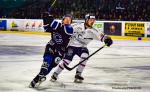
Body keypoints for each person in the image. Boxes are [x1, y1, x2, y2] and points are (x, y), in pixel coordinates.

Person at [50, 13, 113, 83]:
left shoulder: (94, 31)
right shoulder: (76, 25)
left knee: (85, 56)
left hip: (82, 47)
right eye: (91, 20)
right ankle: (55, 74)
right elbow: (65, 29)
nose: (92, 21)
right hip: (71, 46)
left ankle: (78, 74)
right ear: (86, 20)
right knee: (67, 61)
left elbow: (103, 36)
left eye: (93, 20)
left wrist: (108, 40)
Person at [29, 12, 74, 88]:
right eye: (66, 19)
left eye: (69, 20)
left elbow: (58, 27)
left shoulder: (70, 29)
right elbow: (46, 28)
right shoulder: (57, 25)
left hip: (61, 51)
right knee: (47, 60)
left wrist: (49, 18)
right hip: (51, 46)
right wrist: (45, 19)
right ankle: (40, 76)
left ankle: (37, 78)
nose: (67, 21)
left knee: (51, 66)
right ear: (62, 20)